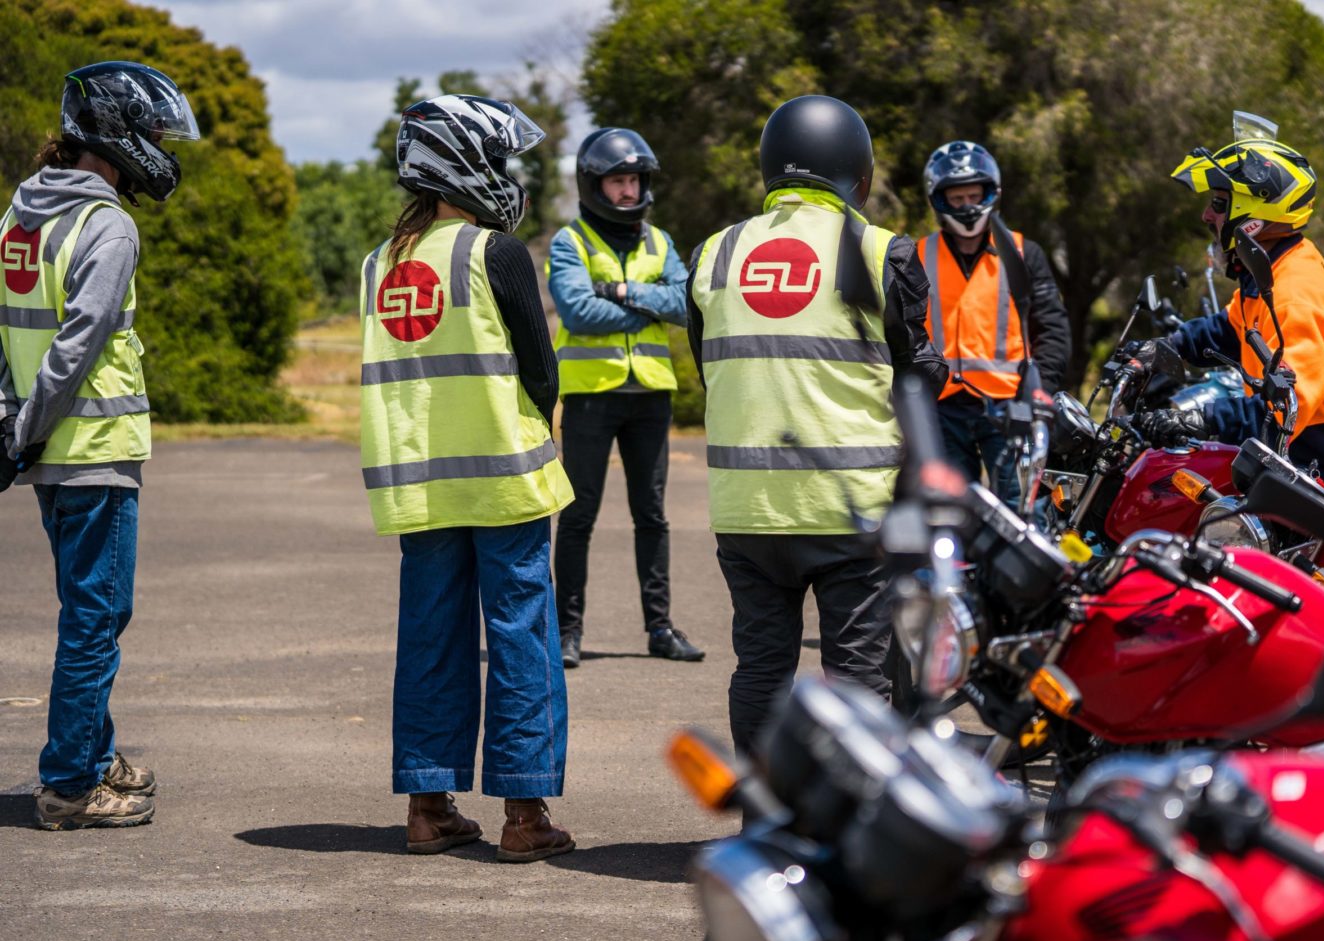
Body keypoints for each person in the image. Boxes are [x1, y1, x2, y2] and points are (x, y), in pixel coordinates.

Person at [685, 95, 947, 758]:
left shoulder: (713, 254)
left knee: (762, 672)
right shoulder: (882, 251)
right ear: (856, 175)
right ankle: (849, 837)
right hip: (848, 509)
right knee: (858, 679)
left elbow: (708, 360)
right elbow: (917, 378)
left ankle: (764, 820)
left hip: (747, 510)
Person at [359, 94, 575, 862]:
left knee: (430, 637)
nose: (506, 174)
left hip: (417, 486)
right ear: (466, 162)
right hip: (502, 479)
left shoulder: (377, 264)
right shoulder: (495, 253)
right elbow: (542, 372)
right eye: (499, 159)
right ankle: (524, 815)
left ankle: (428, 805)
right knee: (520, 636)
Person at [1, 62, 199, 830]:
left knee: (85, 610)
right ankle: (70, 785)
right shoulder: (107, 223)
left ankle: (91, 749)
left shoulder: (21, 215)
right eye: (152, 131)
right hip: (92, 451)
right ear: (117, 134)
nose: (159, 145)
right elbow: (79, 344)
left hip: (49, 458)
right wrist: (26, 428)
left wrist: (13, 429)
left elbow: (11, 331)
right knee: (95, 618)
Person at [1131, 128, 1324, 487]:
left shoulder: (1294, 294)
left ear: (1252, 214)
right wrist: (1165, 348)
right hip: (1303, 462)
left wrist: (1197, 418)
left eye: (1218, 203)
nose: (1207, 216)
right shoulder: (1273, 268)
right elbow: (1228, 331)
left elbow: (1283, 410)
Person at [545, 128, 702, 669]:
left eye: (634, 179)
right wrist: (647, 305)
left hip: (651, 396)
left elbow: (685, 303)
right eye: (618, 181)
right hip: (591, 395)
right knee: (579, 515)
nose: (629, 190)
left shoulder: (659, 241)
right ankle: (567, 633)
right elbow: (576, 313)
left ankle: (659, 628)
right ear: (594, 185)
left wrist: (619, 291)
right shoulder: (571, 242)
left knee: (652, 516)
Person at [917, 141, 1070, 505]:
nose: (967, 206)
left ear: (991, 193)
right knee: (951, 512)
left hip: (1009, 406)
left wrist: (1041, 389)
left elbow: (1052, 327)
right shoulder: (917, 255)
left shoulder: (1022, 253)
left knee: (1018, 508)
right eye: (957, 198)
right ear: (939, 200)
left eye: (974, 194)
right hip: (942, 406)